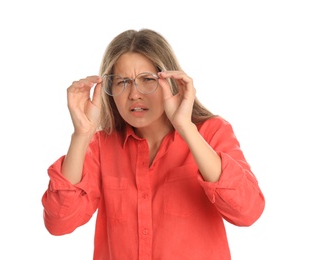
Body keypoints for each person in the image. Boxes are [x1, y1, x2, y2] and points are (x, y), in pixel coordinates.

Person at [41, 28, 265, 260]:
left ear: (171, 81)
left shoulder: (212, 132)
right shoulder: (101, 146)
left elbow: (247, 212)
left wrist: (186, 128)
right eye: (122, 82)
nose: (134, 94)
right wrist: (81, 135)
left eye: (147, 80)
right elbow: (59, 222)